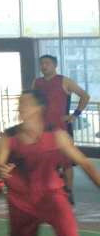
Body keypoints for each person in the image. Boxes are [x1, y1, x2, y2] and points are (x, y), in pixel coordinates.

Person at [0, 89, 100, 236]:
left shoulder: (57, 135)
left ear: (39, 108)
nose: (20, 107)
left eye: (25, 103)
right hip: (21, 197)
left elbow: (85, 162)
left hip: (52, 194)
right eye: (19, 103)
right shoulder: (8, 136)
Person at [34, 54, 90, 195]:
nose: (44, 66)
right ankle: (49, 190)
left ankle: (68, 191)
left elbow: (85, 96)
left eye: (47, 63)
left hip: (61, 128)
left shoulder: (64, 81)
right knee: (44, 160)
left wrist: (75, 115)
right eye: (42, 63)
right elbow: (31, 101)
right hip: (42, 129)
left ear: (55, 65)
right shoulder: (37, 82)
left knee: (66, 162)